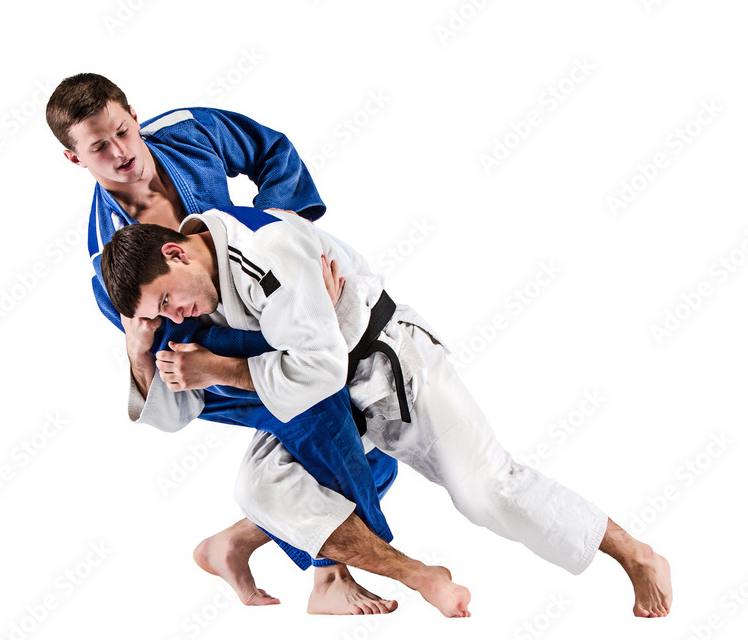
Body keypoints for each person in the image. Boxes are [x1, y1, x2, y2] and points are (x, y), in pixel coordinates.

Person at [99, 206, 674, 618]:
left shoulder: (262, 252)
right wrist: (137, 344)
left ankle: (636, 556)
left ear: (175, 251)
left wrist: (221, 370)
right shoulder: (200, 290)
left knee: (488, 493)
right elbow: (174, 414)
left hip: (393, 368)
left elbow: (317, 368)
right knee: (259, 485)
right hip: (326, 404)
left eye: (168, 301)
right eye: (161, 314)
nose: (175, 316)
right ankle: (415, 574)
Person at [47, 73, 455, 615]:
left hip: (265, 300)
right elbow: (179, 343)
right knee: (322, 411)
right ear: (76, 160)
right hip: (208, 359)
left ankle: (234, 545)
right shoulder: (109, 262)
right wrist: (295, 328)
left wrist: (291, 255)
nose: (121, 153)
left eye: (123, 131)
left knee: (368, 444)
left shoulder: (189, 132)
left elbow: (272, 153)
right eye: (99, 147)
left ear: (135, 115)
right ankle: (352, 574)